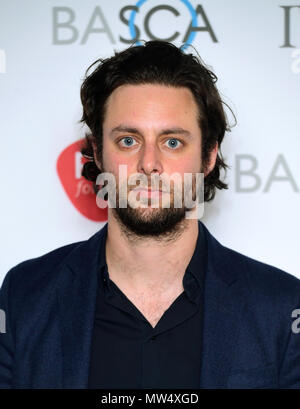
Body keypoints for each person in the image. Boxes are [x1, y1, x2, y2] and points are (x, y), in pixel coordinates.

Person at [1, 41, 300, 389]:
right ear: (98, 152)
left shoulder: (281, 308)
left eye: (172, 142)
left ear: (208, 158)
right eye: (128, 140)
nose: (149, 164)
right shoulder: (25, 297)